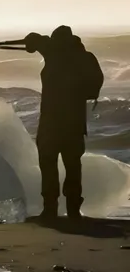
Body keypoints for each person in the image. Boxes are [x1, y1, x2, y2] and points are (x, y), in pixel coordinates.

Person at [23, 26, 102, 220]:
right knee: (73, 165)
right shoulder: (83, 57)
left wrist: (32, 42)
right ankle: (73, 209)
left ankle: (50, 208)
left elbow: (35, 41)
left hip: (51, 121)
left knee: (48, 163)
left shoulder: (54, 53)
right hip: (74, 122)